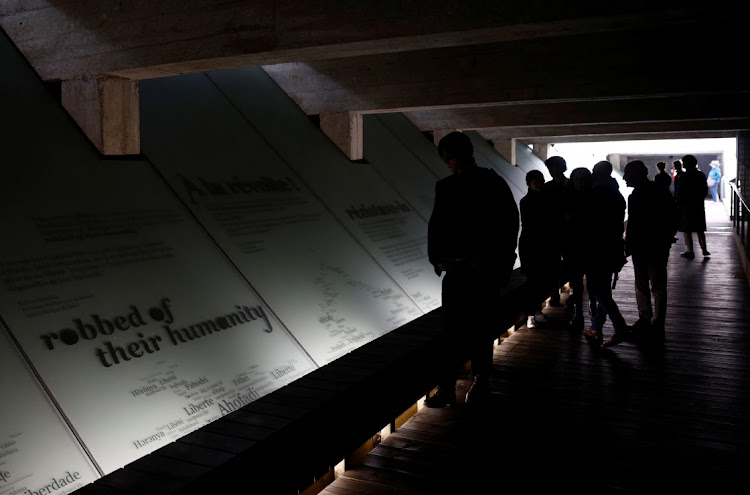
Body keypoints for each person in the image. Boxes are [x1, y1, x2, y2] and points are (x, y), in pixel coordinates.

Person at [425, 131, 519, 407]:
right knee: (479, 327)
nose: (446, 162)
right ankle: (478, 383)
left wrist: (438, 257)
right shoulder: (492, 183)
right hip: (482, 270)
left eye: (447, 157)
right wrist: (492, 260)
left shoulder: (447, 187)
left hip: (464, 270)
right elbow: (508, 226)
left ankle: (450, 387)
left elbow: (437, 226)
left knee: (456, 330)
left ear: (455, 156)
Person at [622, 160, 678, 340]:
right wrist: (667, 238)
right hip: (657, 245)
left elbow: (633, 224)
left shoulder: (635, 196)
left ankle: (644, 318)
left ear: (636, 175)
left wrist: (628, 245)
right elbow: (672, 216)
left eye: (627, 174)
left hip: (641, 246)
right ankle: (658, 322)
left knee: (641, 284)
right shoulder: (660, 191)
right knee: (658, 286)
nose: (624, 178)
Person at [582, 161, 629, 348]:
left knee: (596, 288)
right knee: (604, 289)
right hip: (613, 246)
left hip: (598, 248)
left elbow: (591, 222)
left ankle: (620, 326)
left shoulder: (597, 193)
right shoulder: (615, 192)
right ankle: (595, 327)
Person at [519, 169, 555, 329]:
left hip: (531, 244)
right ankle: (533, 314)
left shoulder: (527, 201)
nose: (539, 184)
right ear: (529, 183)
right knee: (534, 281)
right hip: (536, 246)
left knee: (534, 281)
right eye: (536, 182)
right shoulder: (540, 200)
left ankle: (533, 314)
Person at [563, 167, 594, 331]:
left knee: (579, 282)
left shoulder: (567, 198)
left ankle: (580, 315)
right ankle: (589, 315)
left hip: (575, 246)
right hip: (582, 246)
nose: (580, 182)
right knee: (584, 282)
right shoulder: (594, 197)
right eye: (577, 178)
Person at [541, 156, 569, 309]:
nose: (551, 171)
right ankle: (568, 296)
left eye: (553, 167)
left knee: (553, 267)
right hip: (566, 233)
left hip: (553, 233)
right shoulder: (570, 185)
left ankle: (555, 296)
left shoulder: (547, 188)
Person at [676, 154, 710, 259]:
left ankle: (690, 251)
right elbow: (705, 190)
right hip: (698, 205)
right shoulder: (701, 175)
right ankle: (704, 249)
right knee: (700, 229)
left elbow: (680, 192)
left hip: (686, 206)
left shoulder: (684, 176)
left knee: (687, 230)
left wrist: (678, 203)